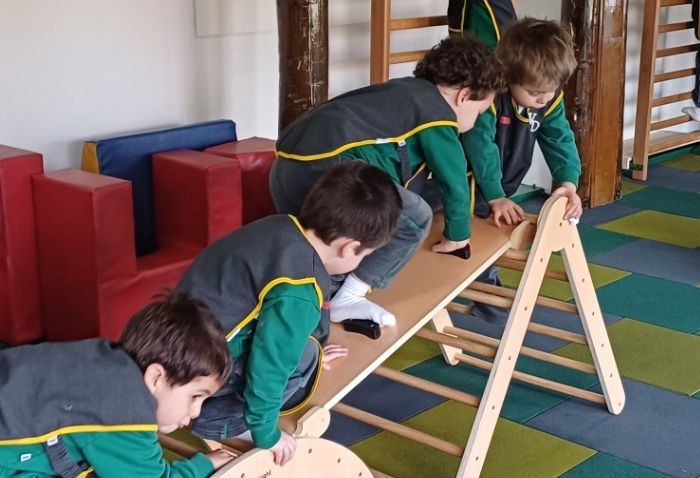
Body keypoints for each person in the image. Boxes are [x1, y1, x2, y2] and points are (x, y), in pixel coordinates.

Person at [270, 35, 506, 328]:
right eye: (480, 112)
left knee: (320, 244)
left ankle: (316, 302)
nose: (477, 120)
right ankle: (350, 297)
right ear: (464, 96)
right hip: (331, 169)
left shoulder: (404, 92)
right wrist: (458, 234)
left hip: (285, 167)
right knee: (415, 219)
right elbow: (453, 178)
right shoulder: (437, 114)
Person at [177, 161, 402, 467]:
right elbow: (271, 364)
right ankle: (225, 423)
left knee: (304, 345)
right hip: (203, 385)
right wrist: (266, 433)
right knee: (300, 354)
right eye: (365, 255)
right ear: (349, 248)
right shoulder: (300, 284)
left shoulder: (279, 226)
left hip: (175, 350)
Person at [0, 292, 234, 478]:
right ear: (156, 378)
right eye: (195, 396)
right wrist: (203, 466)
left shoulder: (108, 362)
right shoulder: (125, 412)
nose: (196, 412)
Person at [453, 5, 583, 323]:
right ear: (509, 77)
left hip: (504, 178)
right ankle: (482, 289)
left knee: (491, 232)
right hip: (469, 181)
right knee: (470, 234)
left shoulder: (547, 99)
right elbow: (480, 147)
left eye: (551, 90)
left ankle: (484, 287)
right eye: (535, 92)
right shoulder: (490, 97)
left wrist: (568, 182)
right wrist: (495, 194)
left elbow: (559, 139)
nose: (544, 98)